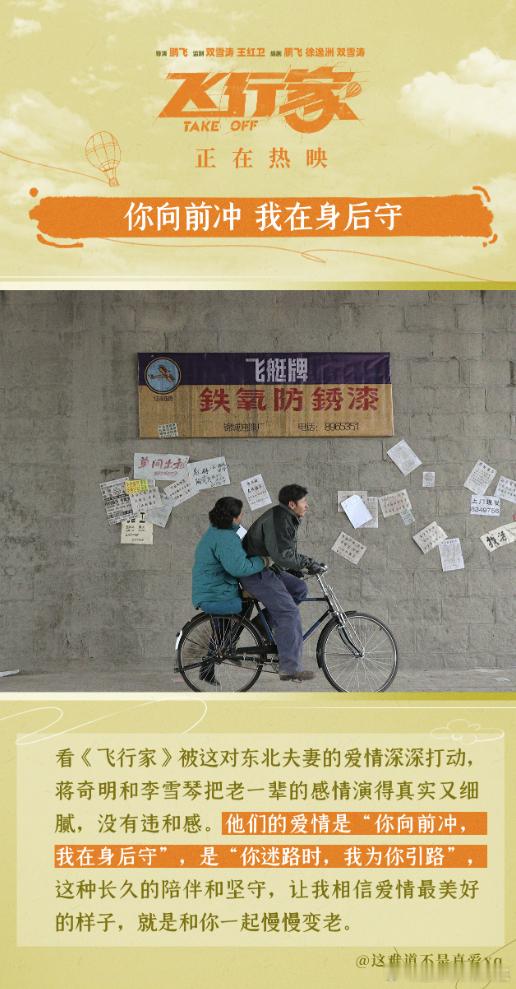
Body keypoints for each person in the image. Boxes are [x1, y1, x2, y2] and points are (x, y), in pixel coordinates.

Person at [240, 484, 326, 682]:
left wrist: (297, 568)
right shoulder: (280, 519)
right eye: (304, 501)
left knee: (299, 588)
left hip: (267, 568)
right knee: (289, 612)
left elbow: (279, 553)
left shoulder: (286, 517)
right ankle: (289, 668)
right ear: (292, 504)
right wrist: (308, 563)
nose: (307, 505)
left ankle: (261, 627)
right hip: (255, 571)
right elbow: (283, 554)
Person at [192, 496, 265, 614]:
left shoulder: (215, 530)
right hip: (217, 596)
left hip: (210, 591)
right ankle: (258, 626)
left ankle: (253, 625)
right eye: (240, 514)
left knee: (250, 598)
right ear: (232, 518)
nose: (242, 517)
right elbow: (239, 568)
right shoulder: (225, 537)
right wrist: (263, 561)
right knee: (267, 596)